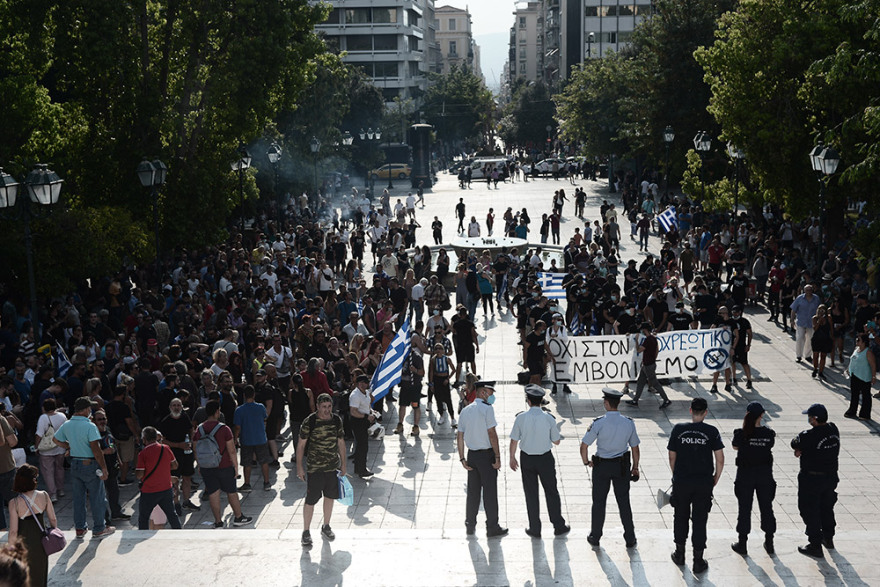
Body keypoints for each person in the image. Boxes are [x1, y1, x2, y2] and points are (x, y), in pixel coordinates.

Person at [668, 398, 724, 574]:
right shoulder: (712, 431)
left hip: (682, 482)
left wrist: (676, 475)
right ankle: (698, 560)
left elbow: (672, 456)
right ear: (706, 412)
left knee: (680, 516)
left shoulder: (678, 429)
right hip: (703, 483)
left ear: (691, 410)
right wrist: (715, 478)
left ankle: (680, 553)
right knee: (700, 520)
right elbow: (720, 459)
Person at [580, 388, 639, 548]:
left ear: (606, 403)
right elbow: (635, 448)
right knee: (624, 502)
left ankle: (595, 536)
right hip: (621, 467)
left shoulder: (598, 423)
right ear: (618, 402)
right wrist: (635, 467)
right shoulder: (628, 423)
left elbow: (584, 445)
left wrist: (586, 462)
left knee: (599, 502)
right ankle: (630, 537)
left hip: (602, 467)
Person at [509, 384, 569, 539]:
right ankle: (558, 525)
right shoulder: (549, 418)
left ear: (528, 401)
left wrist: (512, 457)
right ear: (541, 400)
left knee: (531, 493)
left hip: (527, 459)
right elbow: (556, 441)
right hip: (545, 459)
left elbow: (514, 440)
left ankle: (535, 528)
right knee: (551, 492)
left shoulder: (520, 418)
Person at [52, 396, 115, 539]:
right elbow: (96, 450)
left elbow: (55, 439)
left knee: (78, 498)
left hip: (75, 463)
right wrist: (104, 468)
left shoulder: (67, 424)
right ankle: (99, 528)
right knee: (97, 498)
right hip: (90, 464)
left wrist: (69, 446)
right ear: (86, 409)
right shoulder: (90, 426)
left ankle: (80, 528)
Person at [456, 381, 507, 538]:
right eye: (490, 393)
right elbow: (492, 433)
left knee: (473, 493)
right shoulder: (487, 409)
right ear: (483, 392)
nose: (492, 397)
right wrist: (497, 456)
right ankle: (492, 527)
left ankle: (470, 525)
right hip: (486, 456)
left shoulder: (466, 410)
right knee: (490, 493)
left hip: (472, 455)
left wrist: (462, 458)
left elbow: (460, 435)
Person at [296, 393, 346, 547]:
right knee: (311, 500)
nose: (327, 410)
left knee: (330, 497)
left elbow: (341, 443)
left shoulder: (336, 420)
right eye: (324, 407)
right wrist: (299, 467)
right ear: (317, 406)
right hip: (315, 468)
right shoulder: (310, 421)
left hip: (332, 467)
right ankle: (306, 531)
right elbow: (301, 445)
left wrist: (344, 464)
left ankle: (326, 526)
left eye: (329, 406)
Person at [192, 400, 252, 528]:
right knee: (231, 492)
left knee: (213, 493)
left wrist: (200, 465)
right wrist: (236, 467)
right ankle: (238, 517)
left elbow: (196, 449)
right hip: (224, 466)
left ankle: (218, 521)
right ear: (217, 412)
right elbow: (232, 450)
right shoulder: (224, 429)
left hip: (207, 467)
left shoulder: (199, 429)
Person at [792, 403, 840, 557]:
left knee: (809, 510)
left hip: (812, 479)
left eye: (810, 417)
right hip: (830, 477)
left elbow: (795, 443)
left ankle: (815, 544)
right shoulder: (833, 429)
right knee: (827, 508)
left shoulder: (808, 436)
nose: (809, 419)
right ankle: (828, 537)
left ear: (814, 419)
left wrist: (800, 449)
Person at [730, 402, 777, 556]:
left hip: (745, 476)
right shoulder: (768, 434)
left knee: (744, 509)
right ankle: (769, 542)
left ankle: (742, 543)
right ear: (762, 415)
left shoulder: (741, 433)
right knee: (767, 508)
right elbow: (769, 445)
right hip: (764, 476)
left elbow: (735, 446)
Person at [7, 464, 57, 587]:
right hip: (41, 543)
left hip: (23, 545)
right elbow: (53, 519)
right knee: (40, 574)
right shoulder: (44, 495)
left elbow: (13, 531)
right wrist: (53, 530)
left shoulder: (14, 503)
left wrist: (10, 550)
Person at [135, 426, 182, 530]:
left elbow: (139, 475)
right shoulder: (165, 448)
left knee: (143, 517)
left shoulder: (143, 453)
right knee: (172, 515)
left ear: (144, 439)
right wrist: (163, 467)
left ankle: (141, 536)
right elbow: (175, 465)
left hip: (149, 491)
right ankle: (179, 534)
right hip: (166, 489)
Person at [157, 398, 198, 511]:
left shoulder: (185, 417)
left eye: (178, 405)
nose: (176, 407)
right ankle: (176, 503)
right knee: (175, 480)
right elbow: (162, 441)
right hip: (172, 455)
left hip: (186, 453)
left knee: (187, 477)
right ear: (170, 407)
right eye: (174, 405)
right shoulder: (165, 421)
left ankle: (186, 501)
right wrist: (178, 445)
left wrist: (191, 439)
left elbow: (191, 429)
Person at [233, 386, 272, 492]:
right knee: (264, 461)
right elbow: (265, 418)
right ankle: (267, 483)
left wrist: (235, 438)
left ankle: (247, 484)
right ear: (254, 394)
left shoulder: (239, 410)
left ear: (244, 395)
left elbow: (237, 427)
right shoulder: (261, 407)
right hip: (261, 438)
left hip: (247, 439)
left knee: (247, 463)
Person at [625, 322, 672, 409]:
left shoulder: (648, 340)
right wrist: (652, 359)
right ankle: (635, 400)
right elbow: (657, 350)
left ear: (645, 330)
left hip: (648, 366)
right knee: (640, 382)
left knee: (655, 383)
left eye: (642, 330)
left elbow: (639, 350)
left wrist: (636, 341)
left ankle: (666, 400)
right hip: (648, 364)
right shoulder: (653, 339)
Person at [34, 398, 67, 502]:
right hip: (60, 447)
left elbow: (39, 434)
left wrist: (36, 446)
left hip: (46, 449)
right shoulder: (62, 416)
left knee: (48, 471)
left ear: (44, 408)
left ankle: (53, 494)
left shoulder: (43, 418)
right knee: (59, 468)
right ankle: (60, 489)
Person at [348, 375, 375, 478]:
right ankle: (361, 469)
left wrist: (371, 411)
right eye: (363, 383)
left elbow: (368, 403)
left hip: (364, 420)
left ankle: (359, 468)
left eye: (366, 383)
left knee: (362, 446)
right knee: (362, 446)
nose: (365, 385)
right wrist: (366, 417)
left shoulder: (366, 392)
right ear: (359, 384)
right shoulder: (355, 395)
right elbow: (353, 411)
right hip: (358, 422)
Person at [845, 333, 877, 420]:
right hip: (854, 375)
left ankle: (865, 414)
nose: (857, 341)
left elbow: (873, 365)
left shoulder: (868, 352)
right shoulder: (856, 349)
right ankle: (852, 411)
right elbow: (852, 360)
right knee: (854, 395)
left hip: (864, 377)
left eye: (858, 340)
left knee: (866, 395)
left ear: (864, 342)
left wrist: (873, 377)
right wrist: (848, 369)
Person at [395, 345, 424, 437]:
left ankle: (416, 426)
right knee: (402, 405)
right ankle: (400, 424)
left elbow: (422, 372)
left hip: (414, 386)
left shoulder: (417, 357)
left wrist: (415, 370)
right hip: (404, 386)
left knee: (415, 406)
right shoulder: (402, 357)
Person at [791, 284, 820, 363]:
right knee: (800, 338)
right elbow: (793, 309)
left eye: (810, 290)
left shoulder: (816, 298)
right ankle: (799, 356)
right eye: (807, 290)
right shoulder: (800, 298)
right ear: (804, 291)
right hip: (801, 321)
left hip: (812, 323)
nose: (808, 292)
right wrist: (792, 320)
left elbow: (819, 310)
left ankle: (808, 355)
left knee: (810, 339)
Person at [730, 305, 754, 389]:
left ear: (740, 312)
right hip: (732, 345)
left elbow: (750, 333)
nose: (735, 314)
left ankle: (749, 380)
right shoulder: (730, 321)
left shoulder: (744, 321)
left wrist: (748, 344)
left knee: (744, 363)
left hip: (741, 346)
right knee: (732, 362)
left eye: (737, 312)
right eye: (734, 312)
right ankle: (734, 378)